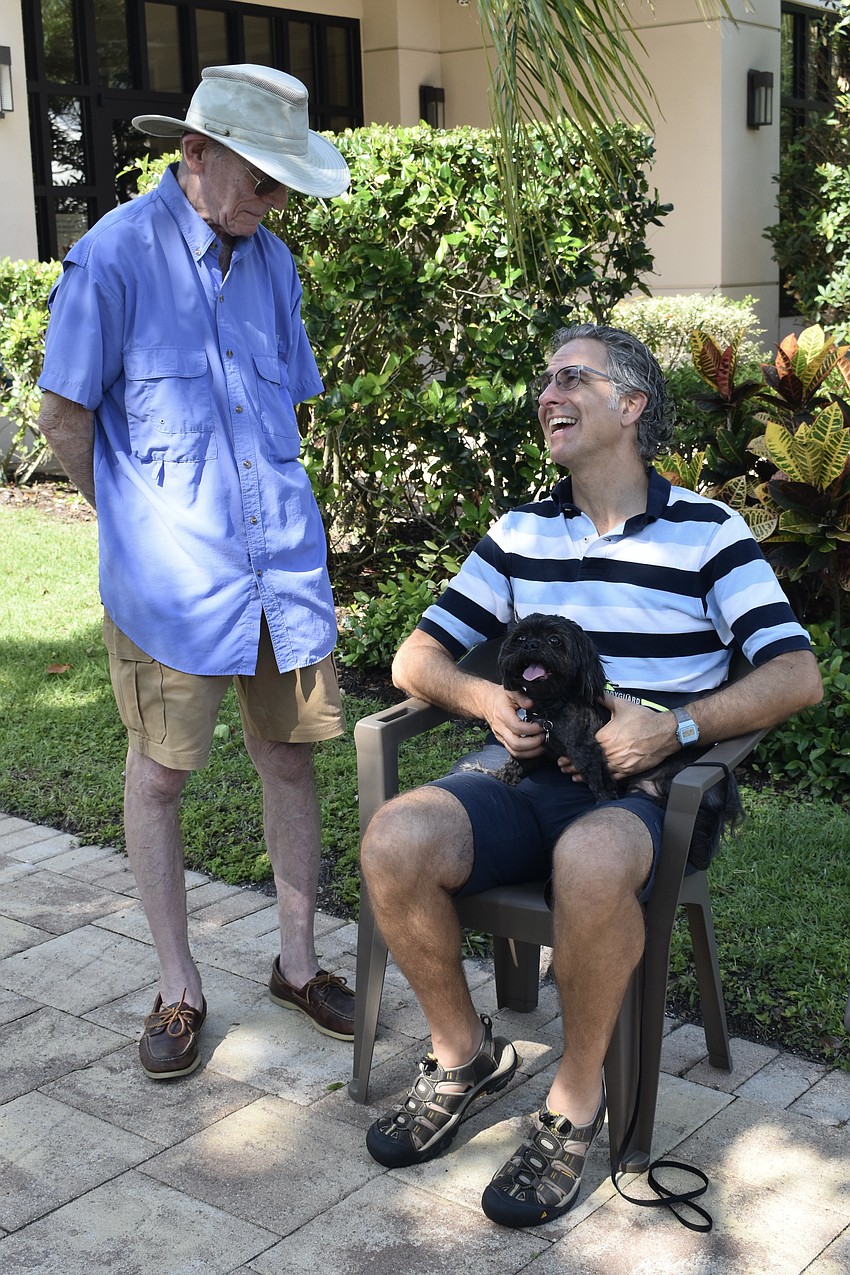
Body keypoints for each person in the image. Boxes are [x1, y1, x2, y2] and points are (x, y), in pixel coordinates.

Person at [359, 323, 823, 1229]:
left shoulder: (706, 533)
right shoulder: (521, 530)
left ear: (631, 405)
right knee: (395, 836)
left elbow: (795, 674)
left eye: (572, 377)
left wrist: (674, 726)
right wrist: (486, 701)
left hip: (643, 791)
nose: (547, 394)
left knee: (593, 859)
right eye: (544, 381)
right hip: (525, 776)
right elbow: (415, 659)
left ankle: (572, 1104)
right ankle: (462, 1056)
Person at [37, 65, 355, 1080]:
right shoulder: (111, 260)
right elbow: (65, 420)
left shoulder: (275, 264)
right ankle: (179, 988)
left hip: (282, 572)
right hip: (171, 584)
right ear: (195, 153)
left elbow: (284, 408)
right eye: (263, 181)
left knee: (292, 759)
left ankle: (297, 964)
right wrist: (135, 522)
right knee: (163, 775)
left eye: (286, 187)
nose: (276, 203)